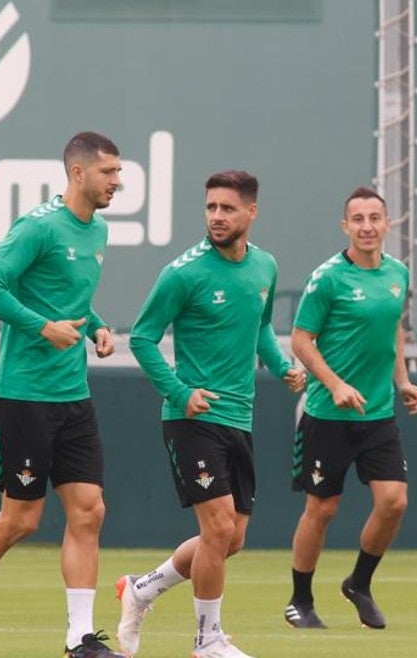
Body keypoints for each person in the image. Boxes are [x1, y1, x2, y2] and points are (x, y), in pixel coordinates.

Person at [0, 131, 127, 658]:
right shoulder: (38, 226)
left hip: (72, 395)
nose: (117, 182)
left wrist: (95, 327)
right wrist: (44, 328)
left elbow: (69, 297)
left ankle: (80, 638)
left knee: (89, 510)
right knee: (22, 518)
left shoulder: (98, 229)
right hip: (22, 394)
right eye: (109, 172)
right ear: (78, 173)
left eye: (118, 172)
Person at [115, 170, 306, 658]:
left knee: (230, 539)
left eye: (227, 208)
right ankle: (208, 641)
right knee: (218, 529)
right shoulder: (184, 272)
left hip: (238, 418)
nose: (217, 217)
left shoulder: (265, 266)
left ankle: (142, 590)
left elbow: (260, 326)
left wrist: (282, 365)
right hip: (190, 418)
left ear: (251, 213)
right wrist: (179, 393)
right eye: (210, 208)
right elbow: (141, 336)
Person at [282, 186, 417, 631]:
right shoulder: (328, 278)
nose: (366, 226)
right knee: (322, 510)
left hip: (378, 414)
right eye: (357, 219)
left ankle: (358, 583)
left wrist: (402, 382)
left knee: (394, 502)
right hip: (328, 414)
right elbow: (301, 340)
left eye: (374, 218)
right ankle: (300, 601)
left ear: (387, 224)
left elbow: (393, 331)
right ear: (345, 226)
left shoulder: (397, 273)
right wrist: (336, 383)